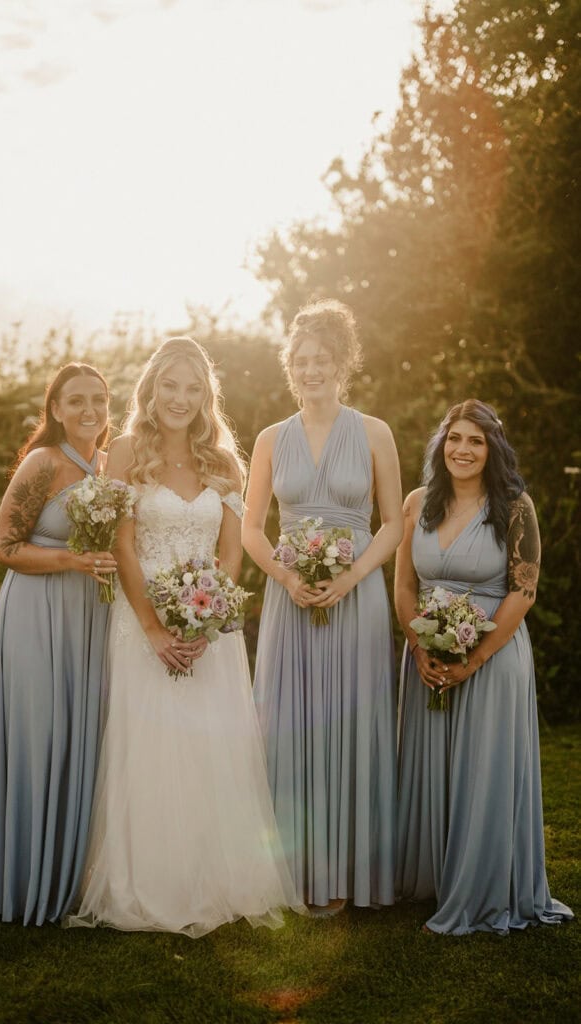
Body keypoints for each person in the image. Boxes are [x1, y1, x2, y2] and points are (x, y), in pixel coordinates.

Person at [66, 336, 303, 937]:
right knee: (149, 749)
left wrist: (203, 615)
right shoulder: (122, 453)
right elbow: (121, 544)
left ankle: (216, 879)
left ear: (206, 397)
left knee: (210, 751)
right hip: (138, 622)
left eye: (193, 388)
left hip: (209, 632)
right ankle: (147, 882)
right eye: (170, 385)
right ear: (151, 388)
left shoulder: (226, 463)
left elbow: (230, 554)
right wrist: (153, 623)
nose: (180, 398)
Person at [243, 299, 403, 915]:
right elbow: (254, 529)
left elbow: (392, 524)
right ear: (291, 366)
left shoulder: (373, 432)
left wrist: (353, 578)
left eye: (323, 359)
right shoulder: (267, 439)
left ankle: (348, 873)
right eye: (302, 360)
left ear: (343, 364)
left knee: (349, 723)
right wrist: (286, 577)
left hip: (356, 595)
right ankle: (293, 872)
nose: (312, 369)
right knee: (290, 722)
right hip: (290, 597)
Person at [0, 363, 117, 926]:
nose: (89, 410)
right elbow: (5, 547)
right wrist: (72, 559)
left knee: (77, 737)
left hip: (89, 616)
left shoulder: (108, 466)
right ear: (56, 409)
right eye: (76, 401)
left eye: (98, 399)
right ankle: (20, 878)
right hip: (36, 609)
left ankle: (65, 877)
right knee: (38, 734)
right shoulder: (42, 463)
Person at [395, 399, 574, 935]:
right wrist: (420, 645)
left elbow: (523, 590)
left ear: (492, 449)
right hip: (427, 654)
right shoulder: (417, 503)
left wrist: (473, 658)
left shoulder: (516, 507)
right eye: (455, 439)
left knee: (484, 767)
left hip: (492, 657)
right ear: (441, 446)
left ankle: (484, 886)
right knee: (434, 765)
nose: (463, 450)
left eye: (476, 440)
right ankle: (434, 876)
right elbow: (404, 584)